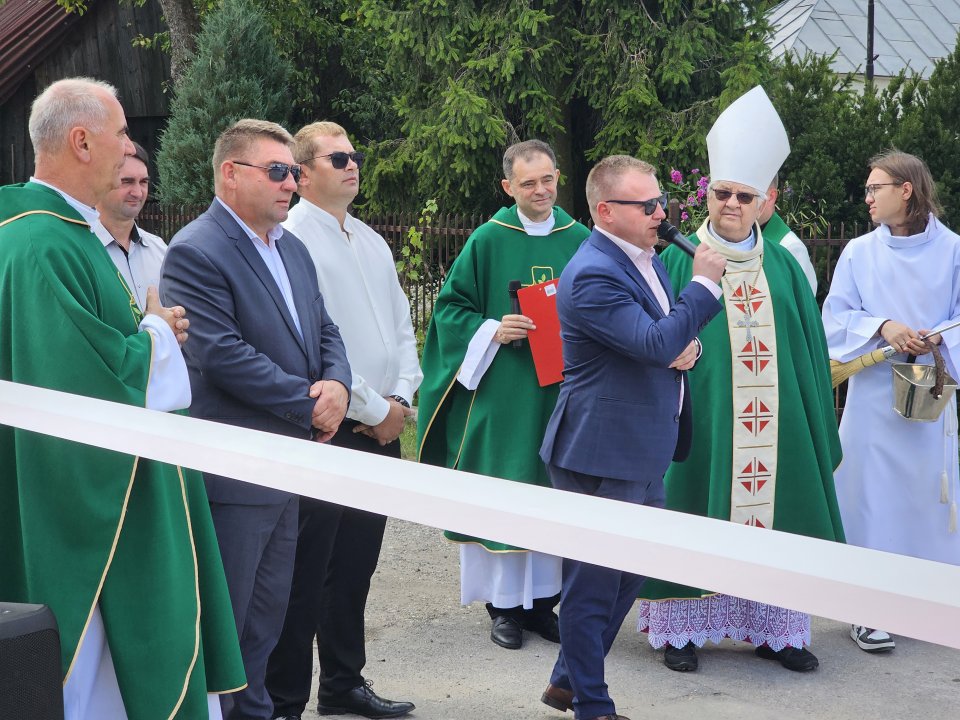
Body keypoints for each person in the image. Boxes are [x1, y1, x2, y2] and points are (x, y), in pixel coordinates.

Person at [0, 77, 244, 719]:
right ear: (81, 142)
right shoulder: (46, 245)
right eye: (123, 133)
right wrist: (159, 334)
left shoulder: (43, 232)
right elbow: (86, 380)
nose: (131, 147)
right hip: (90, 505)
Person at [637, 86, 845, 674]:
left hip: (775, 430)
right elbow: (646, 333)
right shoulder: (676, 257)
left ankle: (775, 630)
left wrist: (812, 421)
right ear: (708, 192)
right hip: (698, 421)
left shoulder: (783, 265)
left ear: (766, 200)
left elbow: (807, 353)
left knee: (778, 517)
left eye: (743, 195)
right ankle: (680, 628)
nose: (730, 203)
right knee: (689, 508)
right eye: (722, 192)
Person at [160, 119, 352, 720]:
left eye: (293, 171)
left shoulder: (290, 246)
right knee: (234, 620)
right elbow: (219, 354)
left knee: (267, 618)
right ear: (230, 173)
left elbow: (325, 328)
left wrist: (339, 386)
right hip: (237, 472)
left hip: (289, 464)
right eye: (277, 171)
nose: (290, 183)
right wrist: (309, 400)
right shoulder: (196, 249)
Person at [538, 155, 725, 720]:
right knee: (593, 584)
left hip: (643, 445)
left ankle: (568, 677)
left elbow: (663, 336)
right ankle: (592, 705)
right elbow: (651, 342)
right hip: (601, 447)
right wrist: (704, 287)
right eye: (645, 206)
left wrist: (683, 348)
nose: (660, 214)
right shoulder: (593, 271)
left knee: (631, 570)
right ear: (605, 211)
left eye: (660, 202)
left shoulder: (648, 259)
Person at [265, 121, 420, 720]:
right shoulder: (294, 240)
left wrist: (403, 397)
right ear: (302, 174)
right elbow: (317, 345)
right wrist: (377, 410)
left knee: (356, 567)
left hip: (383, 423)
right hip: (333, 427)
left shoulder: (371, 240)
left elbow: (401, 328)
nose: (353, 165)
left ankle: (342, 683)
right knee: (309, 573)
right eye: (337, 158)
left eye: (355, 155)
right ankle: (285, 700)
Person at [417, 140, 589, 650]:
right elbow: (449, 310)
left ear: (560, 178)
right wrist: (493, 327)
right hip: (506, 391)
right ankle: (503, 610)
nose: (540, 190)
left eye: (548, 179)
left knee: (553, 492)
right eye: (528, 182)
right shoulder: (488, 240)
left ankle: (541, 607)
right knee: (506, 487)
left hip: (562, 393)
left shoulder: (580, 238)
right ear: (507, 186)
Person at [822, 149, 960, 653]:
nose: (867, 198)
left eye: (875, 188)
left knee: (928, 492)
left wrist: (937, 338)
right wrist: (884, 327)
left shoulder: (953, 251)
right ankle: (867, 609)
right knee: (870, 493)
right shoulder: (860, 251)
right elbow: (835, 316)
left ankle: (930, 602)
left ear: (906, 190)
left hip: (930, 392)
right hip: (875, 394)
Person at [94, 140, 167, 310]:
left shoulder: (160, 250)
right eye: (127, 182)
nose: (137, 192)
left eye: (143, 182)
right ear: (101, 181)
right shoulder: (81, 251)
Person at [758, 173, 818, 294]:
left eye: (746, 195)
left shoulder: (790, 248)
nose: (735, 203)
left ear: (770, 196)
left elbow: (804, 305)